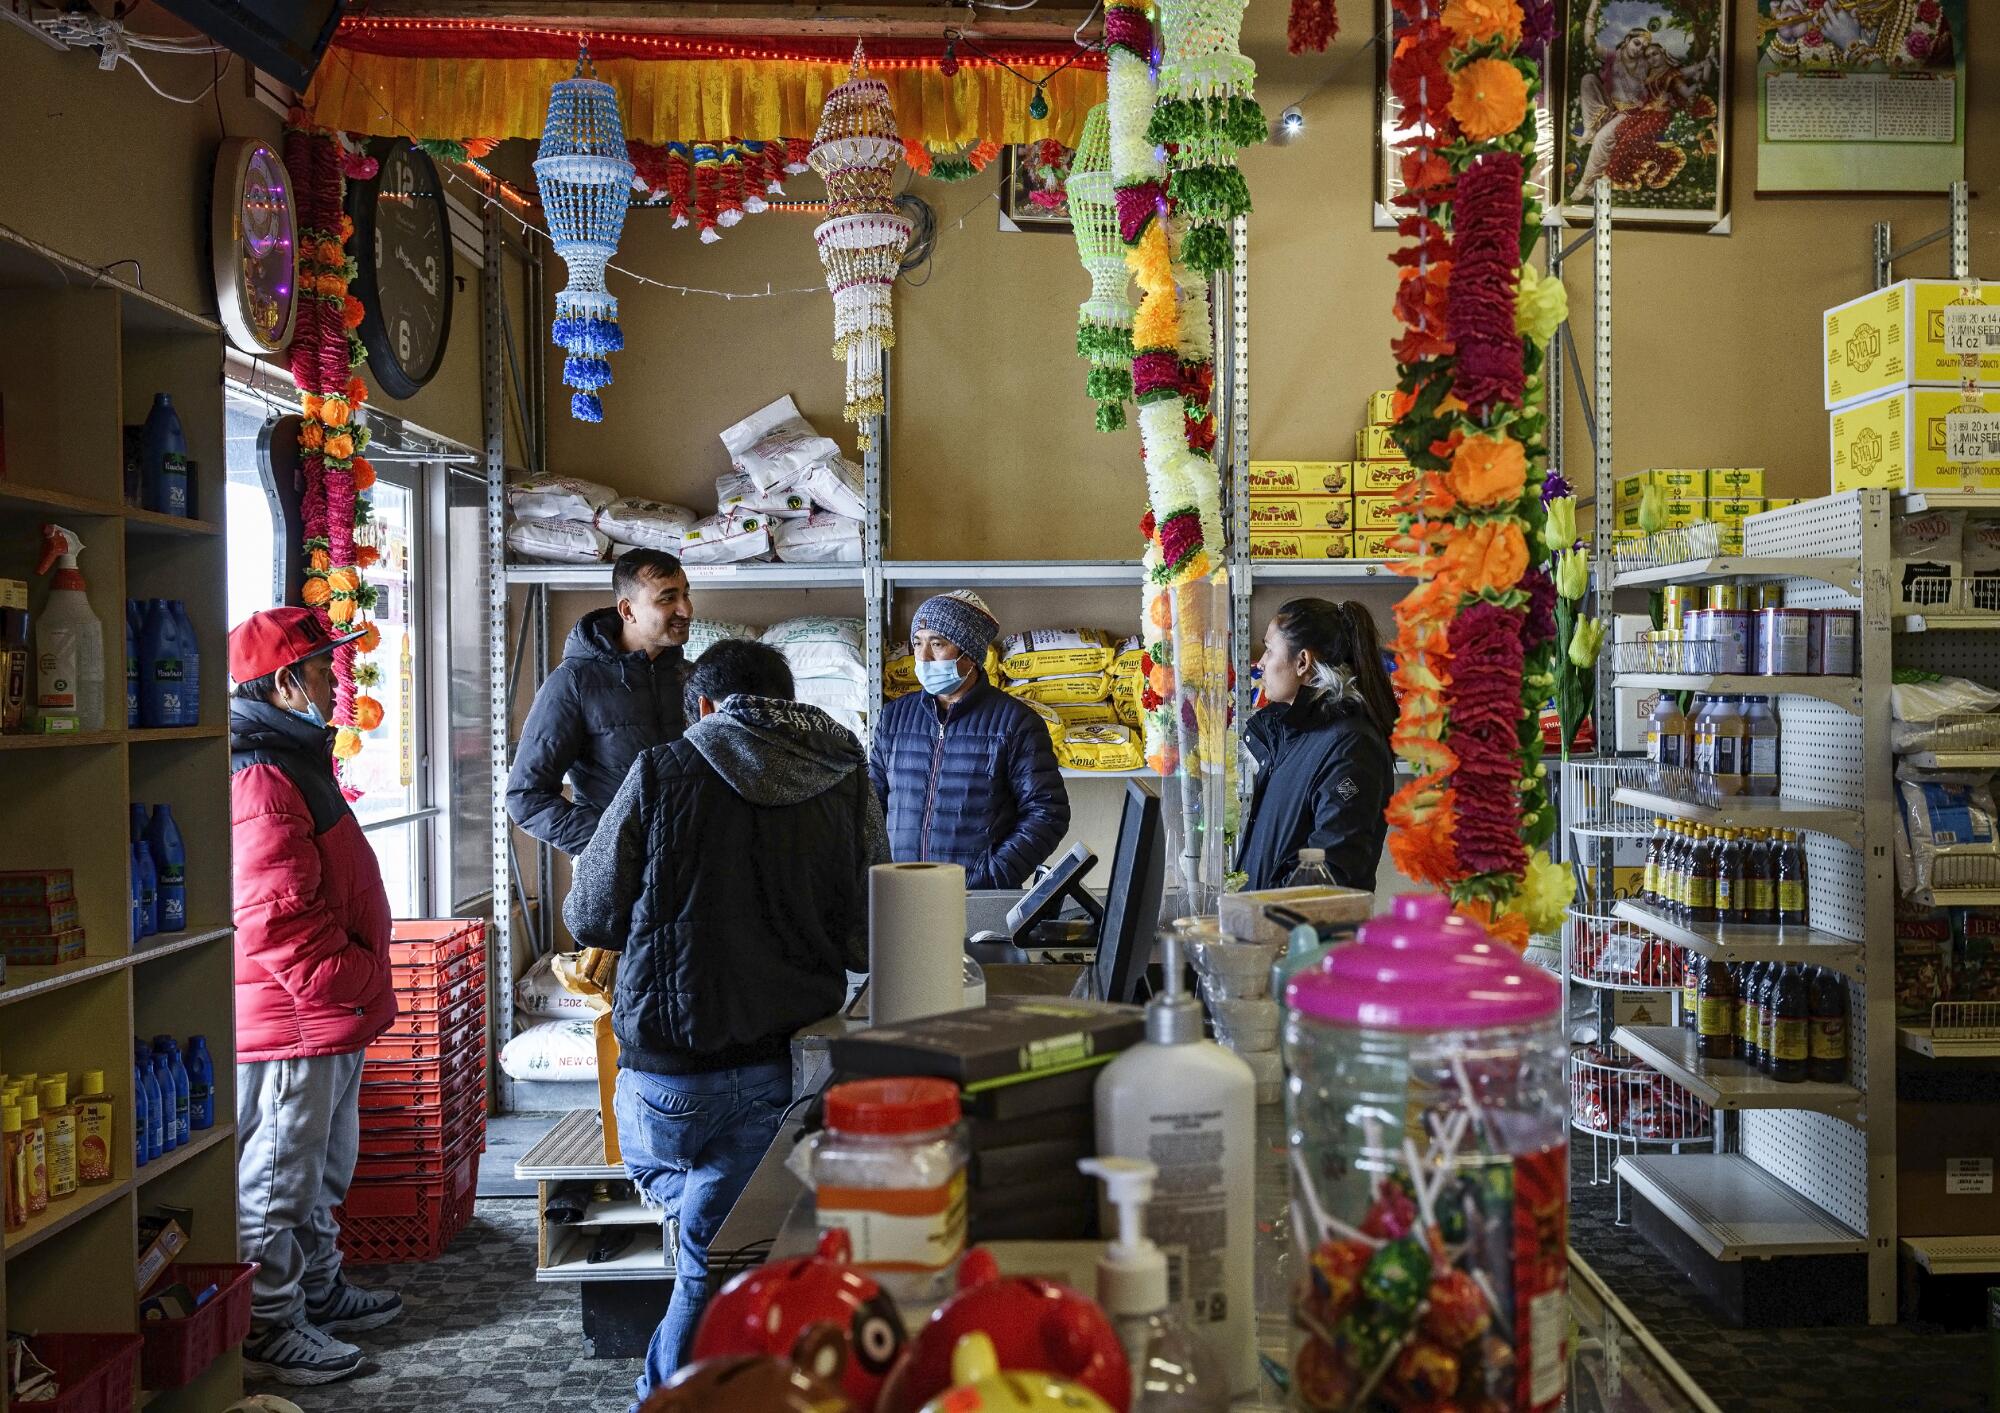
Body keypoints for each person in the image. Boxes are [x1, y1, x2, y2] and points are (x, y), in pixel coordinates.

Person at [565, 639, 889, 1406]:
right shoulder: (841, 775)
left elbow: (590, 912)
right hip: (778, 1071)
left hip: (663, 1075)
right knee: (719, 1251)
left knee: (705, 1244)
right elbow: (864, 936)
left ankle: (669, 1388)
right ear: (788, 699)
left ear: (705, 706)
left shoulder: (662, 770)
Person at [227, 607, 402, 1385]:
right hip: (297, 1015)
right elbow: (275, 919)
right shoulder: (260, 771)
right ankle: (268, 1324)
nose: (338, 682)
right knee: (277, 1177)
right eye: (324, 669)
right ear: (285, 682)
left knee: (325, 1164)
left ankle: (319, 1288)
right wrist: (357, 979)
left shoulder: (292, 755)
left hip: (329, 1011)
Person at [869, 590, 1070, 889]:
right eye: (918, 643)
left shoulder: (1014, 723)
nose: (922, 657)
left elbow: (1047, 812)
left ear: (970, 653)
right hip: (900, 894)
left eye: (937, 644)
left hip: (973, 899)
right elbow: (871, 807)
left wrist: (991, 877)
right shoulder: (894, 719)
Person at [506, 548, 695, 856]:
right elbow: (526, 797)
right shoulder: (574, 683)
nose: (685, 609)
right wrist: (616, 844)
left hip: (686, 869)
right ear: (627, 610)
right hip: (615, 874)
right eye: (667, 598)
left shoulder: (688, 677)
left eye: (686, 594)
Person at [1237, 598, 1397, 893]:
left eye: (1270, 650)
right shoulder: (1295, 735)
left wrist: (1257, 915)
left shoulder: (1351, 746)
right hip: (1268, 933)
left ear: (1302, 662)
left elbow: (1331, 872)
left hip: (1303, 938)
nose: (1260, 663)